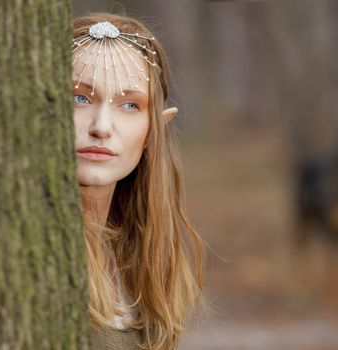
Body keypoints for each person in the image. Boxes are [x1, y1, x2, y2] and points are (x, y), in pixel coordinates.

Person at [71, 13, 204, 349]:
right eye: (80, 98)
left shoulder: (143, 260)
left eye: (129, 105)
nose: (101, 126)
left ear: (154, 130)